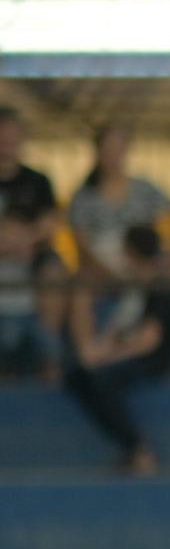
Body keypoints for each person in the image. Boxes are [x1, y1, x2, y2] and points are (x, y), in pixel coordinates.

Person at [63, 225, 170, 473]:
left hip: (150, 359)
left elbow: (149, 339)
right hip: (125, 351)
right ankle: (132, 448)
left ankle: (139, 448)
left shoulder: (159, 286)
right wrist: (98, 350)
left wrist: (108, 357)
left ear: (132, 252)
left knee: (104, 381)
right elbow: (120, 328)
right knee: (77, 375)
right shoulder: (134, 287)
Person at [0, 105, 68, 374]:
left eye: (12, 139)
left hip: (31, 257)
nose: (7, 146)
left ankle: (49, 357)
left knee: (54, 271)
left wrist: (25, 240)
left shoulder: (38, 181)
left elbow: (51, 222)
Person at [66, 126, 170, 277]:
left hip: (144, 269)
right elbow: (82, 245)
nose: (113, 156)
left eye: (117, 149)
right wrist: (109, 273)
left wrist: (169, 257)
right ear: (98, 152)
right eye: (108, 150)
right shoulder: (84, 195)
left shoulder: (145, 189)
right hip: (101, 272)